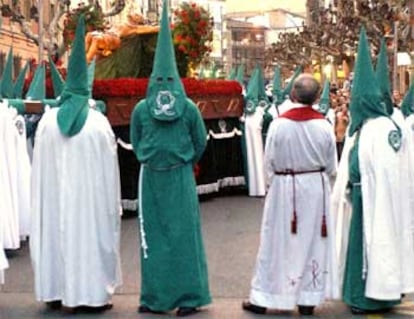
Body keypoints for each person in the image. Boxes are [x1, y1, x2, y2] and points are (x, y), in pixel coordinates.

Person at [30, 15, 122, 312]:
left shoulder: (46, 122)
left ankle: (55, 290)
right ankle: (91, 294)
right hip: (89, 205)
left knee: (55, 232)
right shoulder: (98, 123)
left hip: (54, 202)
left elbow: (38, 171)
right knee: (88, 237)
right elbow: (111, 173)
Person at [130, 0, 211, 316]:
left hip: (155, 174)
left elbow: (135, 141)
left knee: (157, 237)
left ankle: (161, 299)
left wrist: (148, 157)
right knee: (177, 236)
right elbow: (201, 142)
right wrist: (186, 159)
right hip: (176, 175)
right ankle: (182, 299)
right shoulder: (188, 107)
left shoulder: (141, 108)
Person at [242, 73, 338, 316]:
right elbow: (331, 166)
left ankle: (265, 297)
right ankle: (307, 299)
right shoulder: (324, 125)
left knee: (277, 243)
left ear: (293, 95)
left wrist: (274, 185)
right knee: (313, 241)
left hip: (285, 189)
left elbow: (269, 161)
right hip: (315, 188)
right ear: (317, 97)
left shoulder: (278, 124)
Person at [341, 28, 414, 315]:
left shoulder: (371, 130)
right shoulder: (392, 126)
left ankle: (364, 297)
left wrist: (351, 182)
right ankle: (387, 293)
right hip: (391, 199)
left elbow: (358, 166)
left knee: (367, 248)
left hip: (368, 199)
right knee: (389, 243)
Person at [85, 12, 159, 63]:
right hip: (107, 34)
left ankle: (86, 60)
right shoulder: (123, 22)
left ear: (138, 19)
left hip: (114, 38)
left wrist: (163, 26)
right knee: (89, 35)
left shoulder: (133, 27)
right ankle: (84, 55)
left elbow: (151, 29)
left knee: (96, 39)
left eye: (137, 15)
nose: (134, 14)